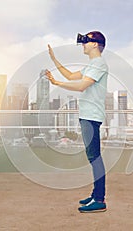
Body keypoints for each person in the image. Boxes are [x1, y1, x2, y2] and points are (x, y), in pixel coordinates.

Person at [46, 31, 108, 213]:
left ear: (95, 44)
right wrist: (54, 60)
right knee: (92, 157)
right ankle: (95, 194)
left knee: (94, 157)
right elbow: (72, 76)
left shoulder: (99, 64)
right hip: (87, 115)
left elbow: (81, 86)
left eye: (86, 42)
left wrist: (56, 84)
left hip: (92, 116)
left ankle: (99, 199)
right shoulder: (92, 65)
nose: (83, 45)